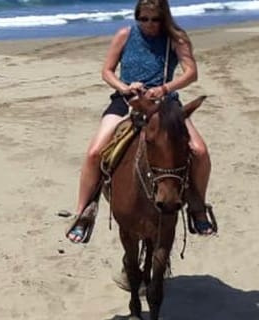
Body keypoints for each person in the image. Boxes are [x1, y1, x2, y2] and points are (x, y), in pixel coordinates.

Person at [66, 0, 216, 243]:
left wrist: (165, 88)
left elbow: (191, 73)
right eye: (143, 19)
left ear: (164, 17)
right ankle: (84, 212)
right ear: (136, 18)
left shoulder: (176, 38)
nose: (149, 24)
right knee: (95, 152)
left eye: (155, 19)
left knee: (199, 151)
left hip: (165, 104)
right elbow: (107, 71)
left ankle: (197, 206)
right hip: (126, 101)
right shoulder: (125, 34)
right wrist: (126, 87)